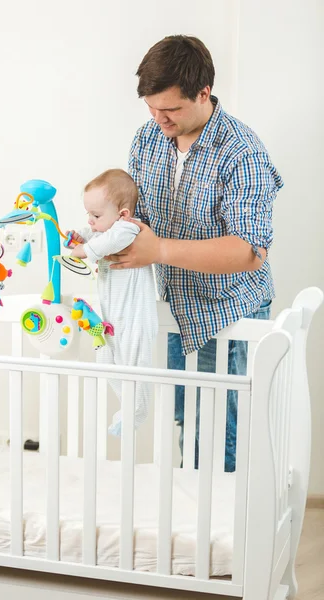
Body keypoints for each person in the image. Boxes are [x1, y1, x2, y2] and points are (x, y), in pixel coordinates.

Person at [106, 35, 284, 471]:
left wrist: (159, 249)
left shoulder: (242, 153)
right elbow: (140, 219)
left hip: (228, 310)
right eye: (151, 108)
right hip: (175, 309)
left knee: (220, 433)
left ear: (203, 93)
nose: (158, 118)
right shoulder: (149, 138)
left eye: (169, 109)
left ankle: (226, 536)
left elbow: (248, 251)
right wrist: (100, 235)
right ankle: (194, 528)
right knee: (188, 420)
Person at [69, 168, 158, 436]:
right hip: (110, 318)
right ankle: (125, 406)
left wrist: (87, 250)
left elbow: (109, 240)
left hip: (134, 317)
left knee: (135, 364)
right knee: (107, 361)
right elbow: (95, 235)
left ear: (122, 214)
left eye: (96, 215)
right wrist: (80, 236)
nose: (91, 220)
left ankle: (136, 412)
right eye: (89, 214)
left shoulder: (128, 229)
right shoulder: (104, 232)